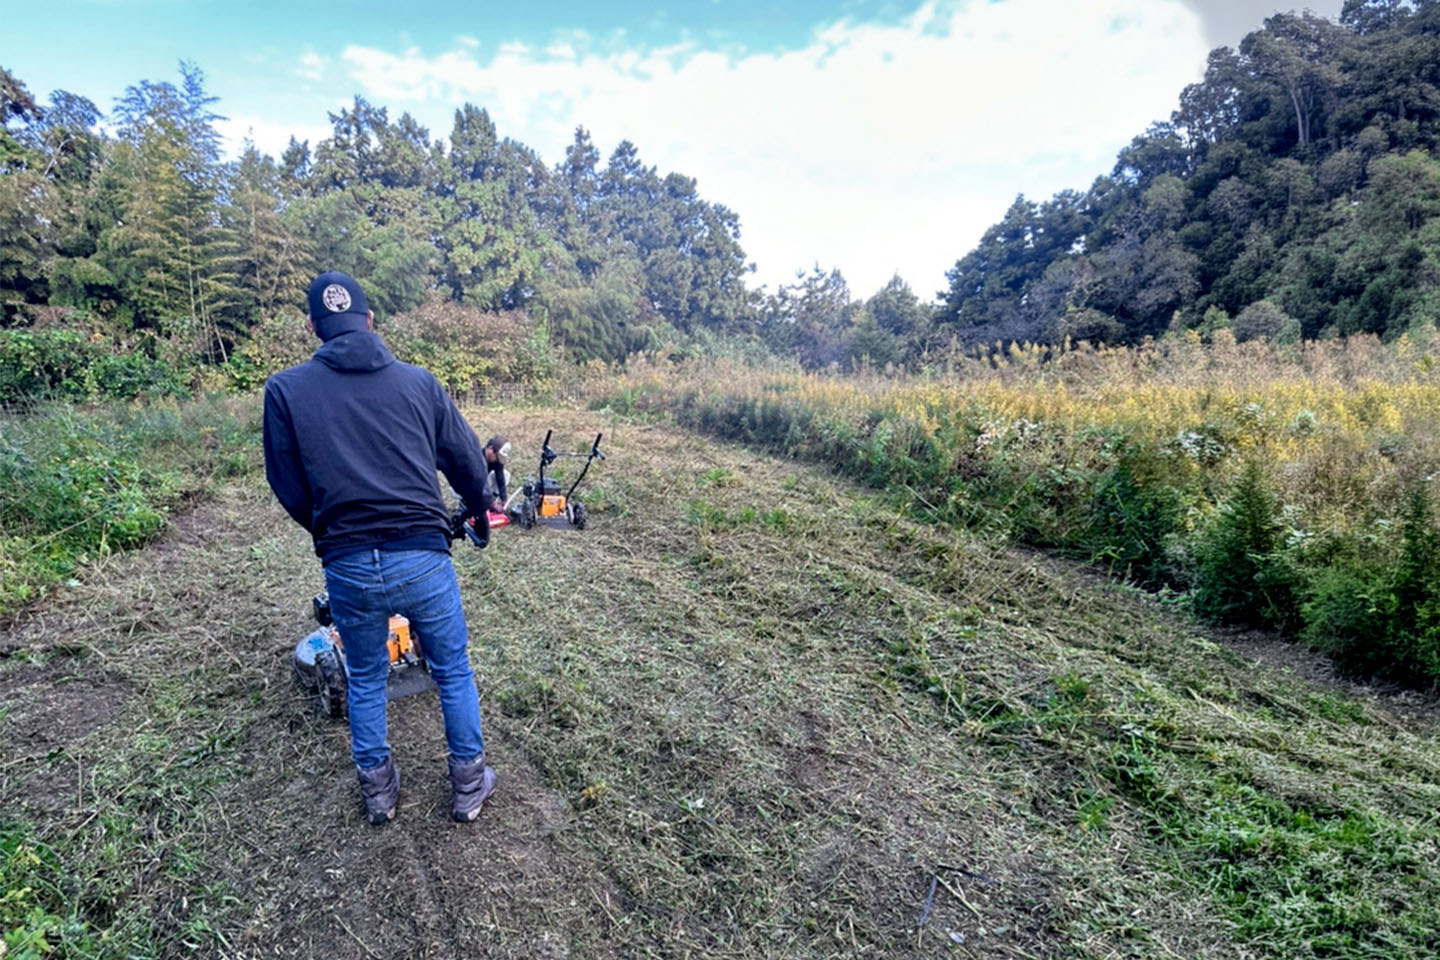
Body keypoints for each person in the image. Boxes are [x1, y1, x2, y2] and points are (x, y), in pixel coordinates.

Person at [262, 270, 497, 825]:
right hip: (423, 554)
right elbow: (466, 459)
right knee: (452, 669)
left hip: (348, 563)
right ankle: (469, 786)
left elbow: (287, 483)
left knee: (366, 677)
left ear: (313, 327)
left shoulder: (285, 390)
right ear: (370, 320)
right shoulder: (419, 383)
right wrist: (478, 507)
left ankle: (379, 795)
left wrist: (327, 532)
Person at [482, 435, 511, 511]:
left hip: (482, 482)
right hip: (465, 485)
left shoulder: (496, 460)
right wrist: (491, 504)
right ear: (490, 449)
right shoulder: (477, 458)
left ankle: (492, 498)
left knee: (506, 475)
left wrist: (504, 499)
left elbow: (500, 477)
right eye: (497, 457)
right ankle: (463, 507)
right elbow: (477, 484)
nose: (497, 460)